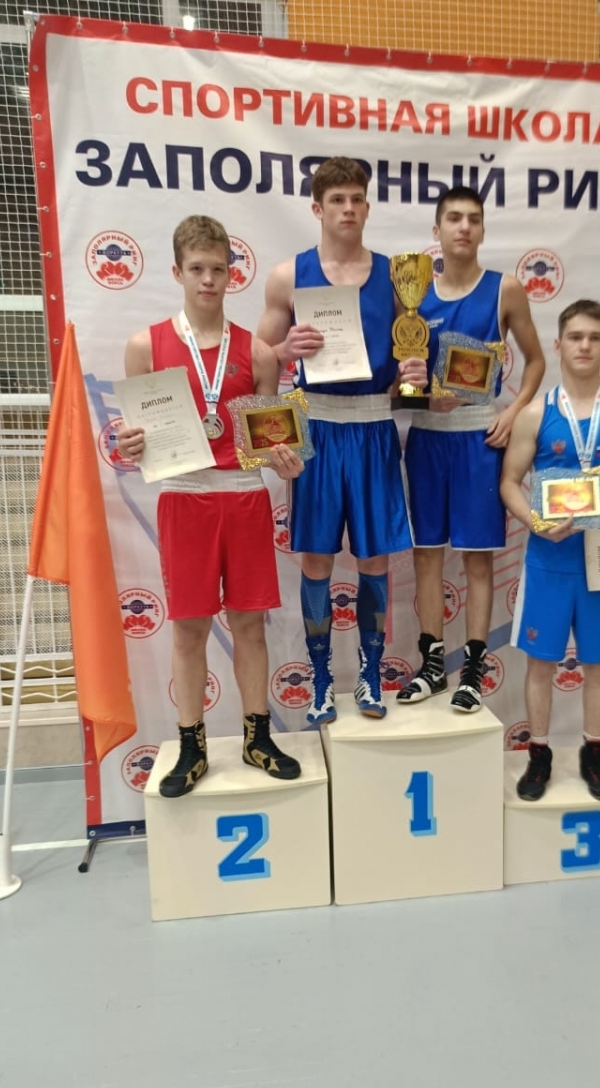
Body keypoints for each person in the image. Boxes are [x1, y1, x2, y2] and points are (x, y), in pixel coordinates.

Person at [117, 215, 304, 798]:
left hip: (244, 498)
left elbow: (268, 439)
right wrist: (130, 442)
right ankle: (191, 745)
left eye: (217, 269)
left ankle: (257, 736)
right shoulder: (145, 346)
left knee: (249, 625)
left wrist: (283, 458)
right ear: (177, 272)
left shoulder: (259, 353)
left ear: (231, 274)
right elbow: (137, 436)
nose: (207, 279)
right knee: (189, 629)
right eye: (196, 268)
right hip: (185, 498)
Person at [256, 157, 427, 725]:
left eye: (356, 199)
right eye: (337, 200)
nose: (348, 209)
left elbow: (409, 367)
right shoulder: (288, 276)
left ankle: (372, 676)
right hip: (318, 429)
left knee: (374, 557)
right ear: (317, 208)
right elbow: (257, 361)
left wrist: (415, 375)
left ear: (367, 206)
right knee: (316, 558)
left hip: (374, 426)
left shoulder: (398, 278)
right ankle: (323, 681)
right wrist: (284, 352)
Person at [396, 186, 545, 714]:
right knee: (427, 555)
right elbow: (402, 378)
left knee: (478, 559)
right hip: (427, 437)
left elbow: (536, 361)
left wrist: (514, 410)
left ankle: (474, 672)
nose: (464, 227)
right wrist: (417, 393)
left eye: (473, 219)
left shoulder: (506, 290)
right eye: (454, 218)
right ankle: (432, 665)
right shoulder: (412, 295)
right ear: (436, 230)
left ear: (482, 229)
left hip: (480, 437)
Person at [500, 299, 600, 800]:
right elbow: (509, 482)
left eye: (594, 337)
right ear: (558, 344)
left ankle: (593, 754)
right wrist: (537, 523)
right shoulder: (536, 413)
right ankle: (538, 755)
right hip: (549, 561)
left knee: (598, 664)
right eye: (575, 337)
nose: (584, 345)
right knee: (540, 664)